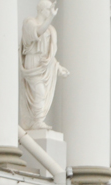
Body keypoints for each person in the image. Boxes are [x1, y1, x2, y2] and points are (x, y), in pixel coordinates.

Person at [20, 0, 68, 130]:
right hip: (33, 62)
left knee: (42, 94)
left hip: (44, 66)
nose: (50, 12)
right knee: (39, 92)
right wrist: (51, 17)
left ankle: (38, 120)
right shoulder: (29, 23)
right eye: (48, 10)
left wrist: (58, 67)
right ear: (41, 10)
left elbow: (49, 55)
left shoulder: (51, 29)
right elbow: (38, 32)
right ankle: (37, 121)